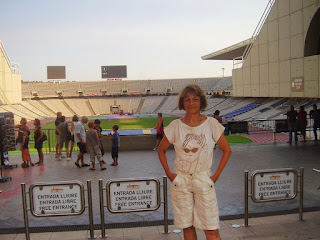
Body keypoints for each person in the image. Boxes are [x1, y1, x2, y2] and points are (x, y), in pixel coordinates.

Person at [158, 84, 231, 240]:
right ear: (183, 103)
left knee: (211, 229)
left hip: (203, 179)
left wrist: (216, 175)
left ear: (201, 102)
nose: (191, 103)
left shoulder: (211, 124)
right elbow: (161, 149)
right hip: (181, 180)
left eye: (195, 99)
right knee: (188, 228)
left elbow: (227, 150)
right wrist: (170, 174)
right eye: (187, 100)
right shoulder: (175, 126)